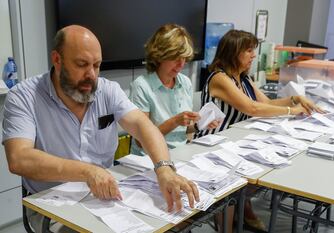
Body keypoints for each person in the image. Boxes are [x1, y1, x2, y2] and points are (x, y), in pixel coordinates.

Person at [2, 25, 199, 232]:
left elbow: (143, 126)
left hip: (106, 198)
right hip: (53, 205)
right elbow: (19, 159)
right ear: (57, 59)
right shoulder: (23, 97)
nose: (91, 75)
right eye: (81, 64)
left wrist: (164, 169)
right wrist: (87, 172)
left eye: (96, 65)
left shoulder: (107, 90)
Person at [194, 29, 323, 230]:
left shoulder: (243, 78)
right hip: (213, 147)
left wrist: (296, 99)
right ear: (233, 52)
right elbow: (252, 108)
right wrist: (291, 110)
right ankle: (230, 221)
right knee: (235, 185)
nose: (254, 55)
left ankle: (241, 208)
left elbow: (267, 103)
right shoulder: (219, 78)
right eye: (248, 50)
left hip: (235, 144)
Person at [129, 24, 219, 155]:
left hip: (179, 154)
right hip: (150, 158)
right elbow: (141, 142)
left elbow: (181, 132)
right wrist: (175, 121)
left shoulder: (185, 82)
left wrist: (201, 124)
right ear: (159, 55)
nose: (181, 64)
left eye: (184, 58)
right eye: (176, 58)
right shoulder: (142, 86)